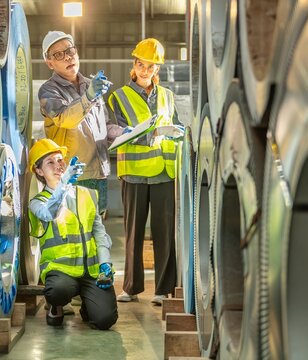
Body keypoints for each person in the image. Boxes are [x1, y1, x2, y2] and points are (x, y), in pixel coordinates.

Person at [107, 38, 181, 306]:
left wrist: (177, 133)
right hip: (134, 173)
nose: (145, 69)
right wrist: (152, 135)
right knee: (133, 233)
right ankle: (131, 287)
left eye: (151, 66)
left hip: (163, 171)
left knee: (164, 232)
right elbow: (117, 134)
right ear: (134, 65)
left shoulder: (168, 97)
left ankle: (162, 289)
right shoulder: (118, 97)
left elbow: (177, 128)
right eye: (141, 64)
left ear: (157, 69)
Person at [28, 138, 118, 330]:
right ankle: (55, 306)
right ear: (39, 171)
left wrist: (105, 262)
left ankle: (89, 304)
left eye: (60, 160)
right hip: (61, 273)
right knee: (57, 292)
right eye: (50, 162)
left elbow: (99, 232)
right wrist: (64, 185)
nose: (58, 165)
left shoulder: (87, 194)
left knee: (105, 320)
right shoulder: (37, 202)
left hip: (90, 270)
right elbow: (49, 213)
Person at [39, 30, 124, 217]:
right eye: (59, 54)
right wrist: (89, 97)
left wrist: (123, 133)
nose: (68, 57)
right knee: (73, 234)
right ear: (49, 62)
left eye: (70, 50)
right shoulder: (49, 91)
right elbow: (65, 119)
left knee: (97, 232)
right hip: (72, 176)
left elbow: (104, 126)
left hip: (99, 173)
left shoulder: (90, 85)